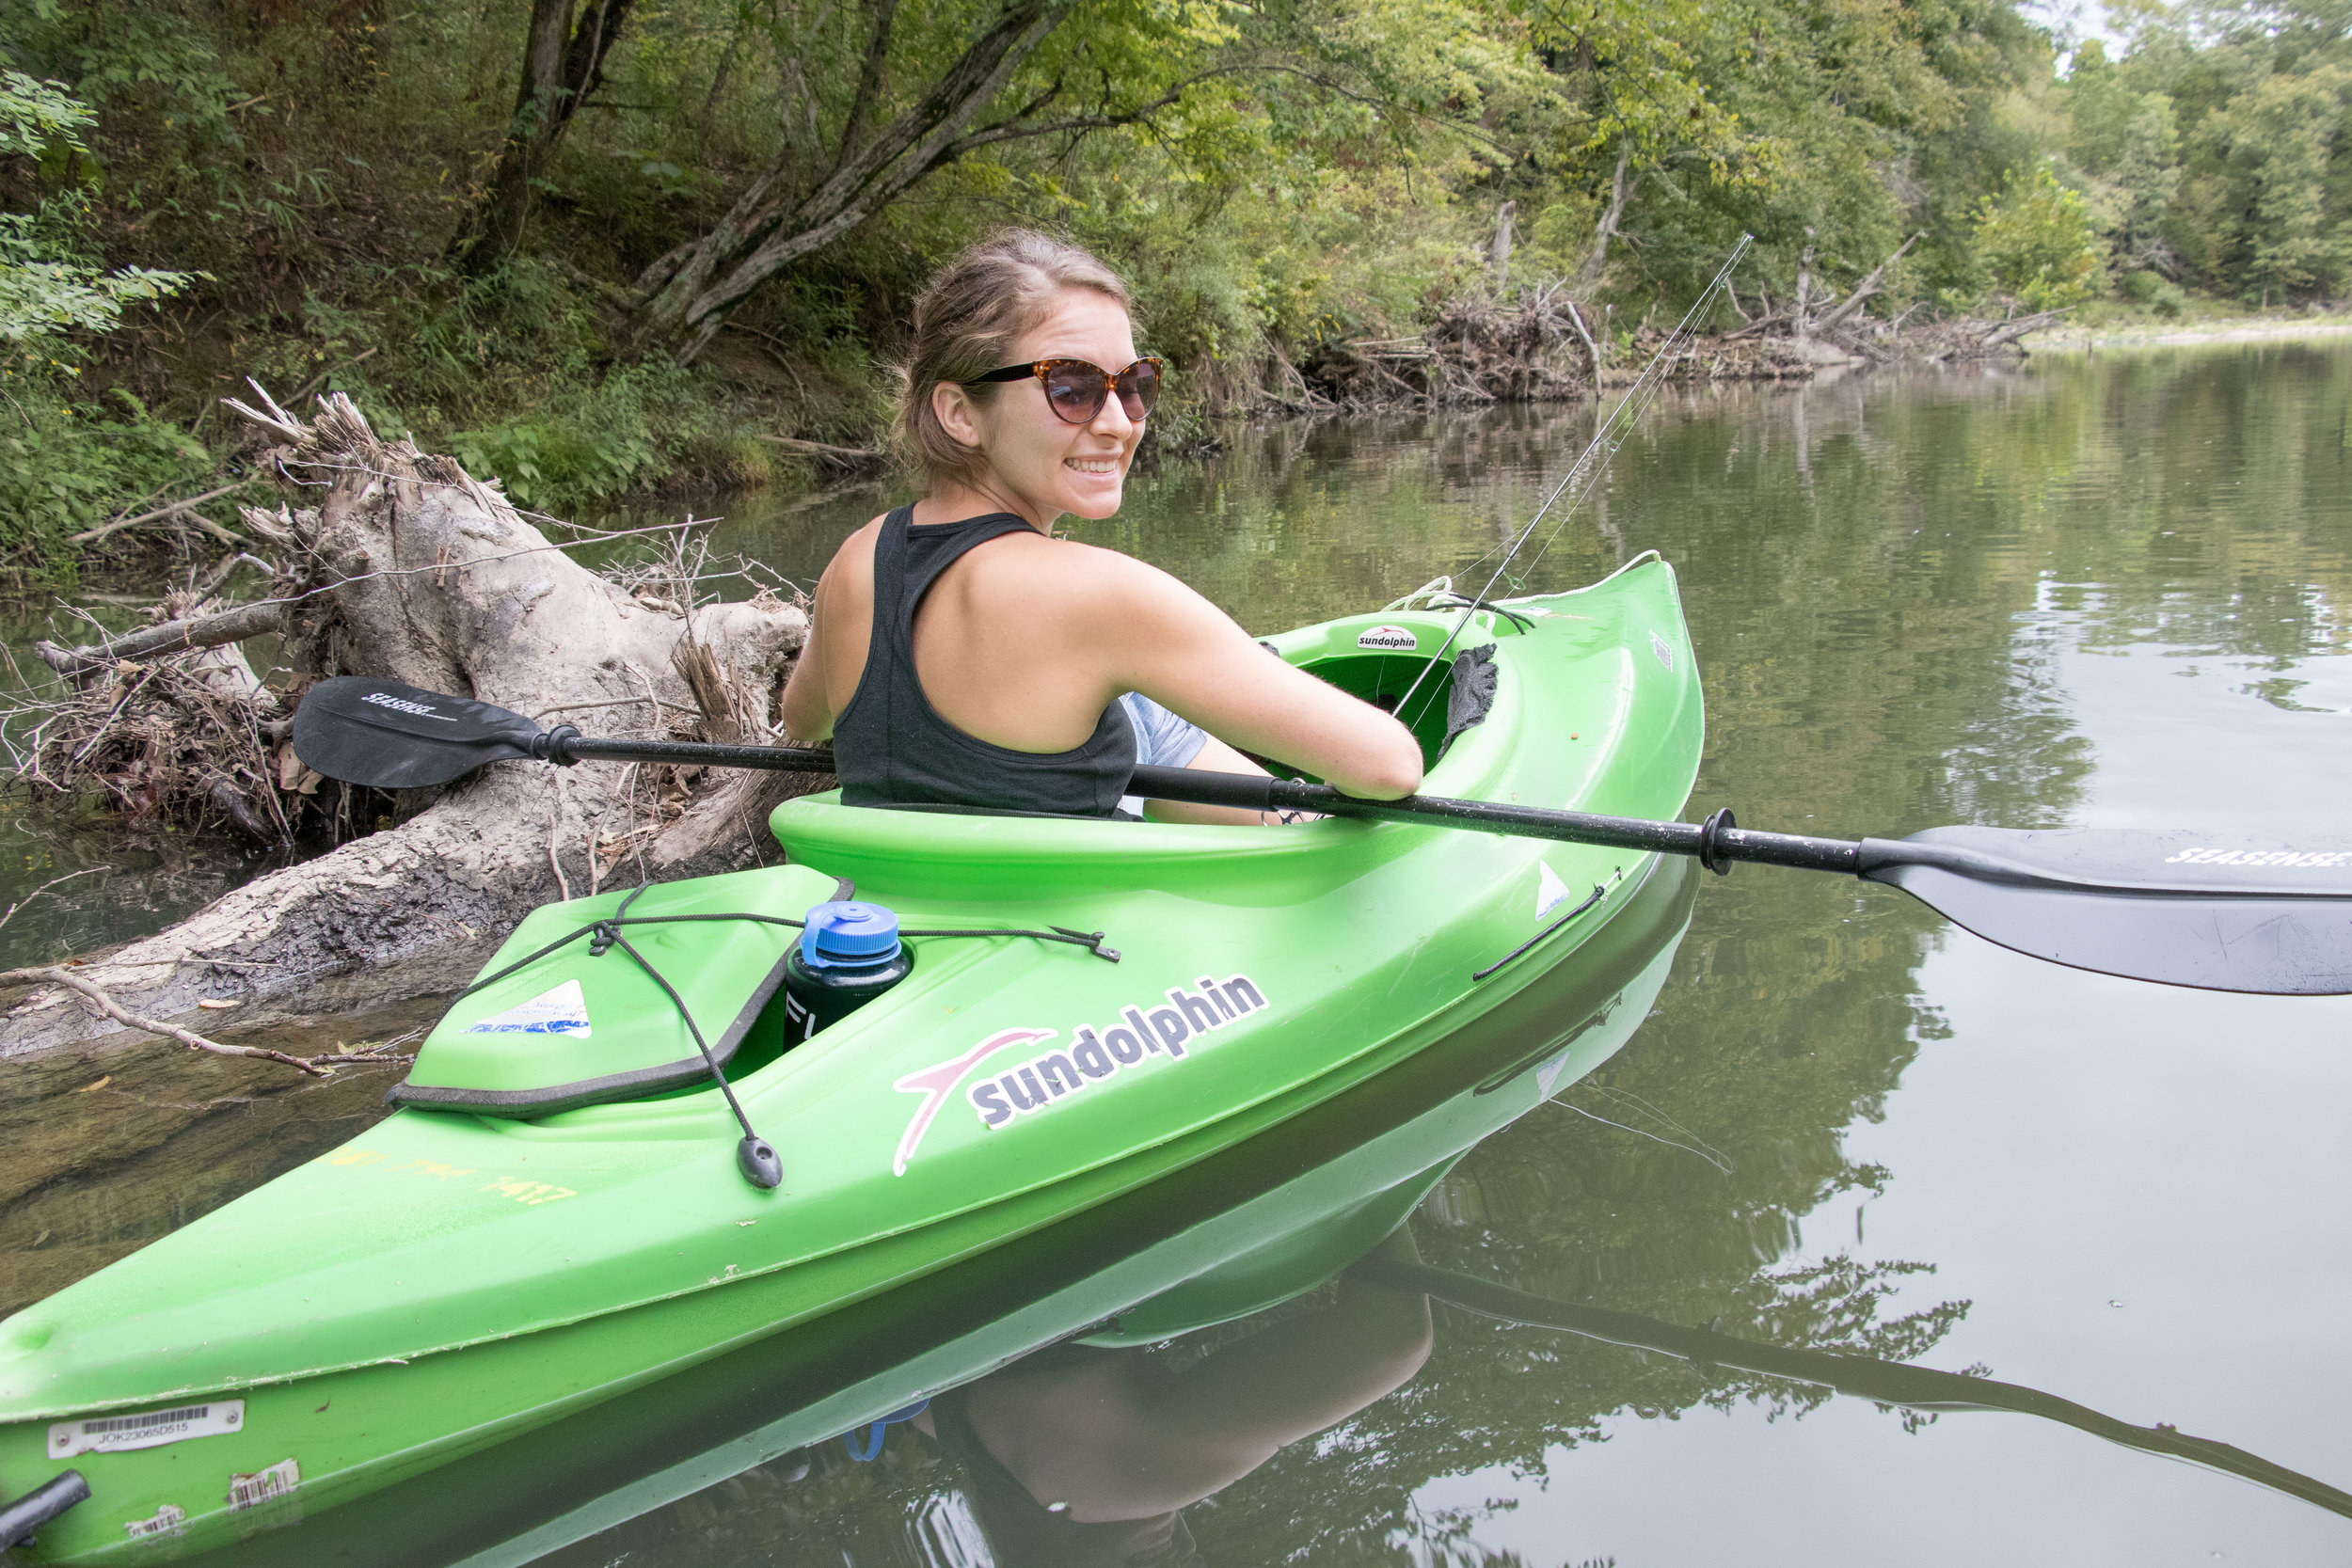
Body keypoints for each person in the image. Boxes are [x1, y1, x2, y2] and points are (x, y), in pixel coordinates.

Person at [778, 230, 1422, 824]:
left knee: (1143, 707)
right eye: (1072, 386)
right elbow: (1389, 764)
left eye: (1132, 383)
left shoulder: (856, 561)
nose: (1119, 419)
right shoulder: (1101, 594)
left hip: (897, 915)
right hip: (1076, 932)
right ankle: (1291, 825)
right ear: (959, 413)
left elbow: (803, 716)